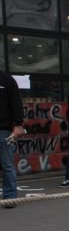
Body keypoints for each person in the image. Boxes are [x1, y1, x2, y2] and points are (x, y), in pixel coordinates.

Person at [0, 71, 24, 208]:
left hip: (4, 130)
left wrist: (17, 125)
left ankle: (10, 197)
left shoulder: (7, 80)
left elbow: (16, 103)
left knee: (7, 165)